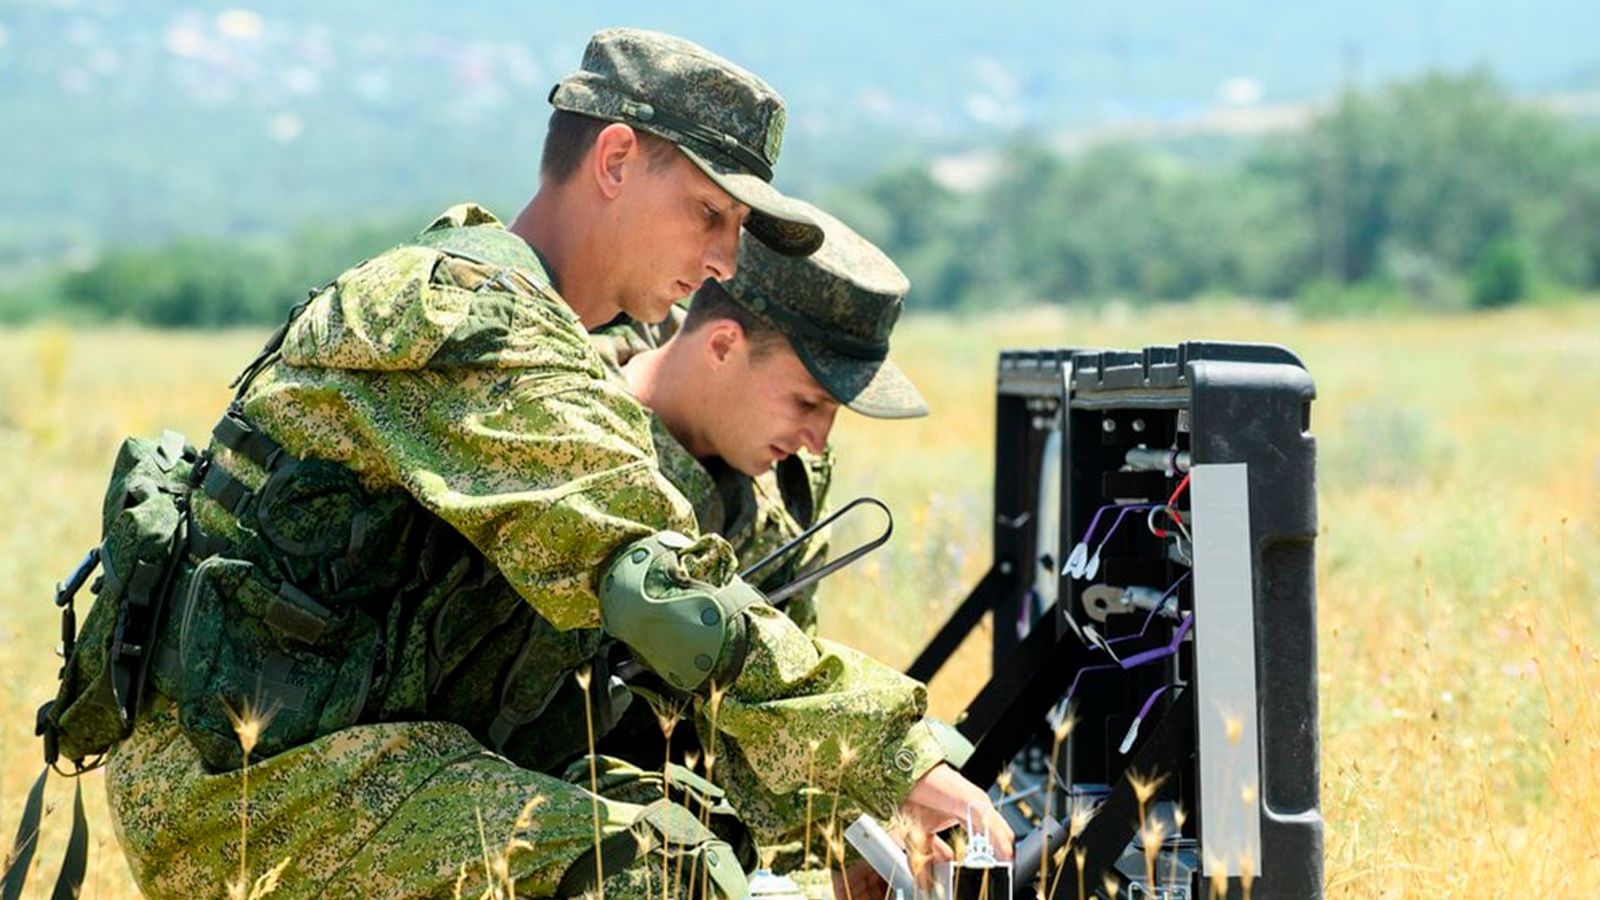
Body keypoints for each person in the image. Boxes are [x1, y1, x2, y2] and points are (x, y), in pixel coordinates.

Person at [73, 28, 1009, 900]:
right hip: (252, 790)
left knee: (693, 827)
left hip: (379, 749)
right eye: (708, 213)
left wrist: (839, 816)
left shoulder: (557, 337)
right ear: (614, 162)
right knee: (663, 877)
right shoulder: (465, 319)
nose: (725, 258)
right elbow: (657, 587)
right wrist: (902, 756)